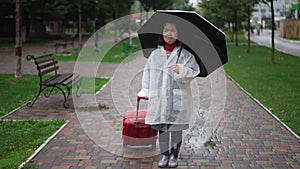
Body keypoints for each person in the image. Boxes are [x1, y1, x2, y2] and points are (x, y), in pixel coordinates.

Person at [137, 22, 200, 168]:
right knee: (162, 128)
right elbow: (148, 73)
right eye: (166, 30)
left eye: (173, 30)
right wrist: (145, 90)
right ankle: (164, 154)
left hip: (178, 98)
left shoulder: (185, 55)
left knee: (176, 129)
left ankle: (174, 155)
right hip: (159, 97)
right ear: (162, 33)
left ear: (179, 34)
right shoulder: (155, 54)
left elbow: (194, 71)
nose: (169, 34)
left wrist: (182, 70)